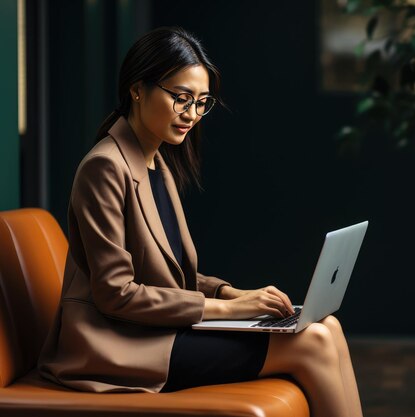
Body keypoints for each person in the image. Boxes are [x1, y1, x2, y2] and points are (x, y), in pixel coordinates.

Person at [37, 26, 363, 417]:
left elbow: (166, 275)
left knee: (329, 329)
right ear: (137, 89)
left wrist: (231, 293)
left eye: (202, 102)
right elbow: (116, 293)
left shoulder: (156, 162)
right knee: (313, 344)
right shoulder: (105, 167)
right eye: (181, 98)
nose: (192, 114)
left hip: (156, 332)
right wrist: (231, 311)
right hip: (116, 345)